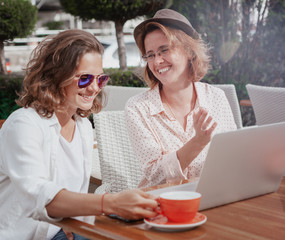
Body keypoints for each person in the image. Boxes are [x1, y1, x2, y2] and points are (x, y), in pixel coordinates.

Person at [0, 29, 158, 240]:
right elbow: (41, 196)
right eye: (84, 79)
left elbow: (75, 195)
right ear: (57, 76)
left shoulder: (83, 126)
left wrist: (74, 216)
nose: (94, 88)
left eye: (100, 79)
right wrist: (111, 203)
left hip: (61, 231)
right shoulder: (24, 125)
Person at [125, 9, 237, 188]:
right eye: (151, 54)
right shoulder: (138, 108)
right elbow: (155, 177)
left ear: (190, 51)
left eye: (164, 50)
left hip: (214, 195)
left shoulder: (216, 97)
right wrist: (198, 142)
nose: (157, 61)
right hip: (164, 203)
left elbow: (234, 156)